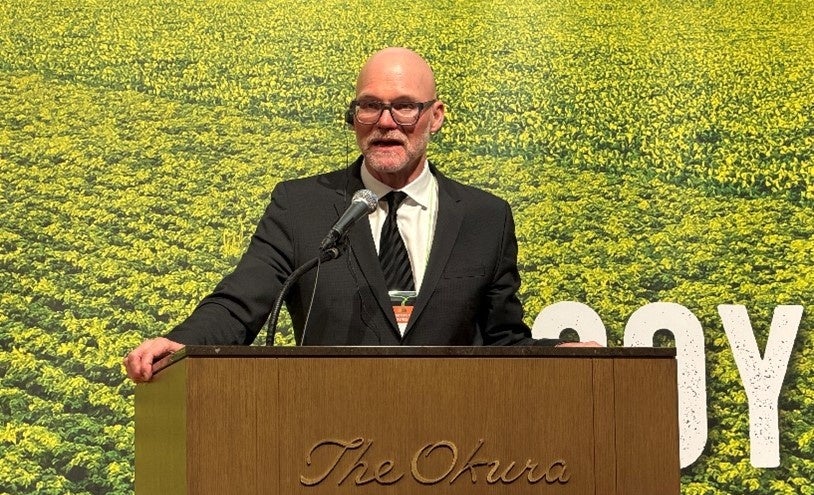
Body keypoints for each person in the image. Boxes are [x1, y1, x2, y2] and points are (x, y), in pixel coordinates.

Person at [124, 47, 598, 382]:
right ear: (353, 116)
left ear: (435, 116)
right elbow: (240, 303)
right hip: (331, 446)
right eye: (370, 106)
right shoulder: (301, 206)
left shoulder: (485, 218)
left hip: (454, 444)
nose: (386, 122)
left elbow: (502, 341)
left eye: (405, 107)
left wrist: (556, 353)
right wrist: (182, 341)